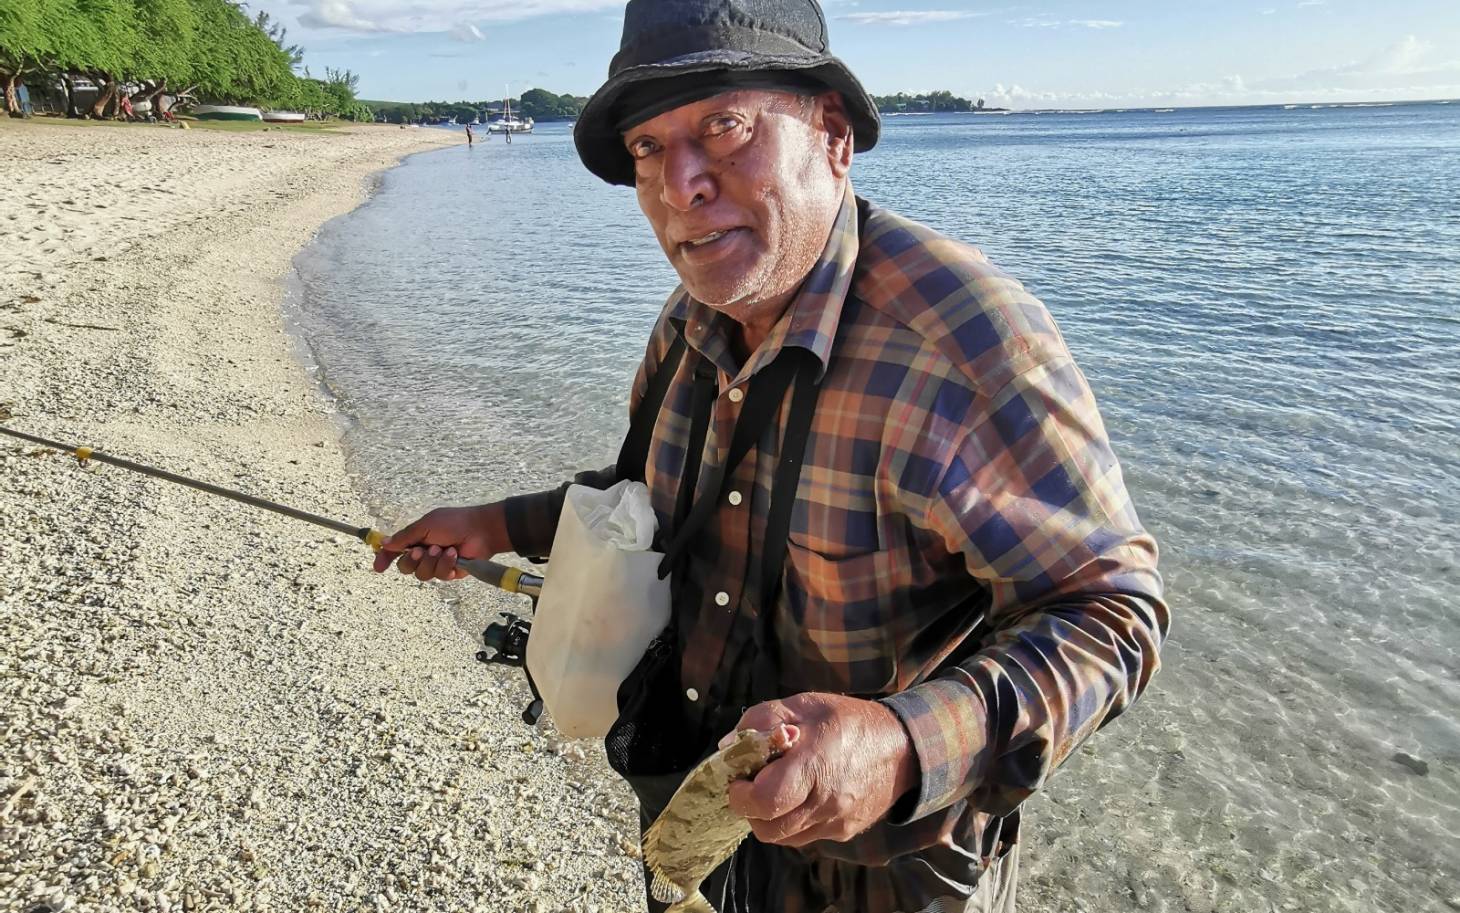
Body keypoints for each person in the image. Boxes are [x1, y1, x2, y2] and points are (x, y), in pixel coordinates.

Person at [374, 0, 1169, 910]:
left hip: (885, 875)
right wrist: (497, 523)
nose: (679, 184)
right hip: (688, 817)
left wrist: (900, 743)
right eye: (646, 148)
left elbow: (1114, 613)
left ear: (832, 133)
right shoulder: (686, 322)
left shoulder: (966, 344)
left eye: (724, 125)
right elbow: (651, 500)